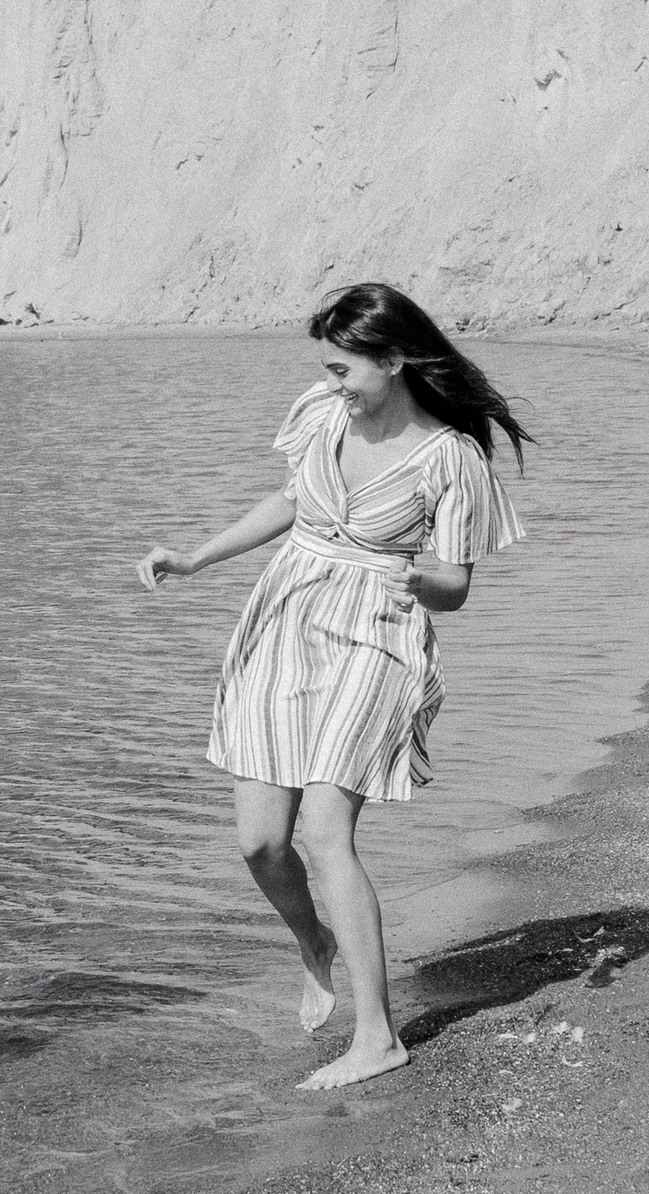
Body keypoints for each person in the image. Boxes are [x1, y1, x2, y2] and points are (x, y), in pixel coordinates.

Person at [137, 283, 528, 1090]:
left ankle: (377, 1036)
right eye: (329, 367)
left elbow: (456, 584)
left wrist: (423, 581)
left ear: (395, 359)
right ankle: (313, 941)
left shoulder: (450, 457)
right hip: (285, 622)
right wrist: (195, 558)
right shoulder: (323, 413)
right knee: (260, 841)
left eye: (344, 368)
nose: (333, 381)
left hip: (377, 635)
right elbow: (290, 501)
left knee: (324, 832)